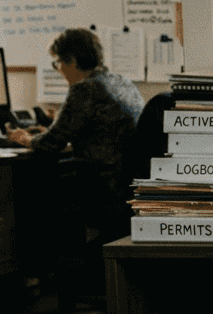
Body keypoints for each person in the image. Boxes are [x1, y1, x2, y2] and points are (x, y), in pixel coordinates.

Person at [8, 27, 145, 240]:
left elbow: (50, 144)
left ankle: (45, 266)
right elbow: (95, 130)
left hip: (104, 190)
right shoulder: (120, 82)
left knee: (30, 191)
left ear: (72, 60)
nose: (59, 69)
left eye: (58, 63)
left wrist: (24, 138)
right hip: (128, 186)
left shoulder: (84, 90)